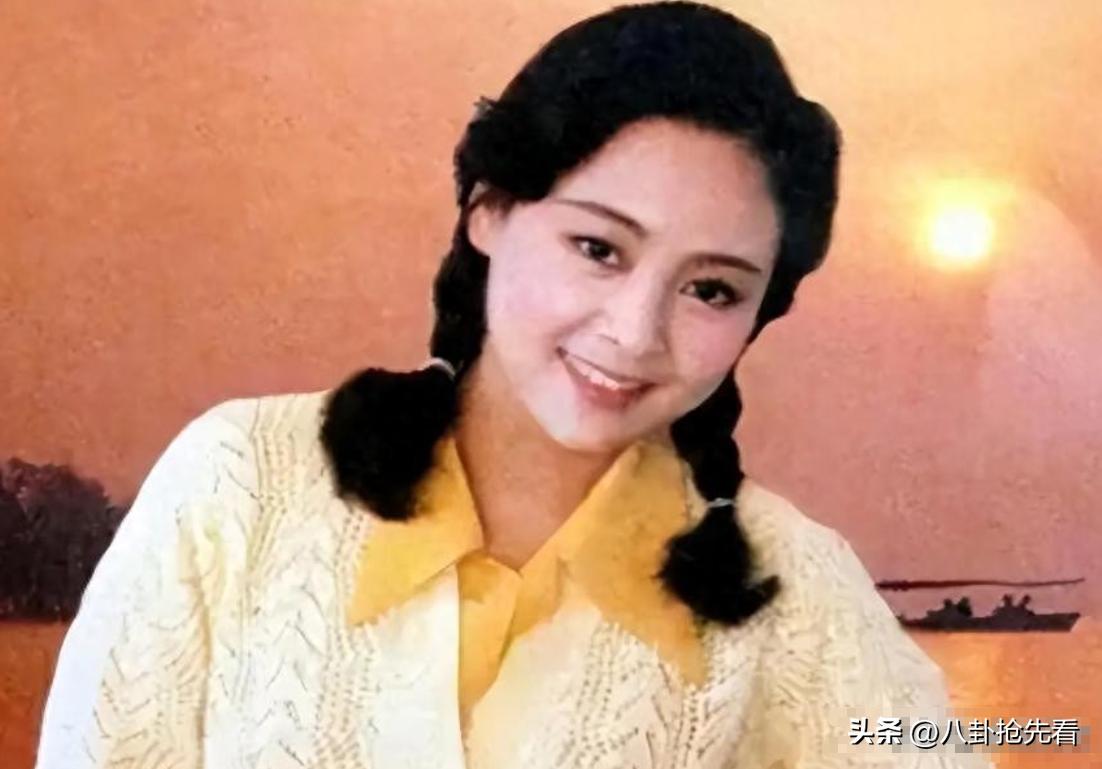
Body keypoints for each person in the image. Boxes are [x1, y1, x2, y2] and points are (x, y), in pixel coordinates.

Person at [35, 2, 992, 767]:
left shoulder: (791, 584)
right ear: (489, 209)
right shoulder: (241, 484)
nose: (635, 332)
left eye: (710, 289)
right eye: (598, 247)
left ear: (759, 312)